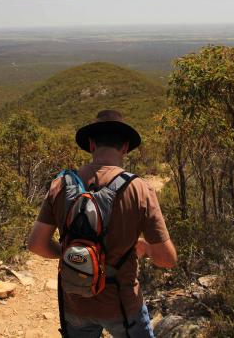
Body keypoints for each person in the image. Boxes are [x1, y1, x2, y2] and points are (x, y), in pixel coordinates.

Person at [27, 109, 177, 338]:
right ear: (125, 147)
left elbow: (36, 245)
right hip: (122, 305)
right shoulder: (140, 189)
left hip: (74, 303)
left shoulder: (61, 184)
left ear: (91, 144)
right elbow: (167, 259)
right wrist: (144, 248)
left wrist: (74, 255)